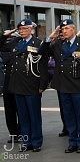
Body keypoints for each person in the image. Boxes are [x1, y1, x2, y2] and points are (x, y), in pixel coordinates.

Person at [39, 19, 80, 153]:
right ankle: (72, 142)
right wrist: (50, 38)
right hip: (63, 85)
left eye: (66, 29)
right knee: (69, 115)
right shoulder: (58, 43)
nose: (64, 31)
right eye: (62, 29)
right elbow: (42, 52)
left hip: (78, 84)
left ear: (73, 29)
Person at [0, 19, 49, 152]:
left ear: (31, 30)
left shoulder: (39, 43)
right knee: (23, 117)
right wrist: (7, 35)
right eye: (20, 29)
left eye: (24, 29)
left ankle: (36, 142)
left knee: (34, 116)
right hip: (17, 85)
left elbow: (43, 66)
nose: (22, 31)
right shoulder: (15, 42)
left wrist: (42, 85)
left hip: (32, 85)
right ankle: (26, 142)